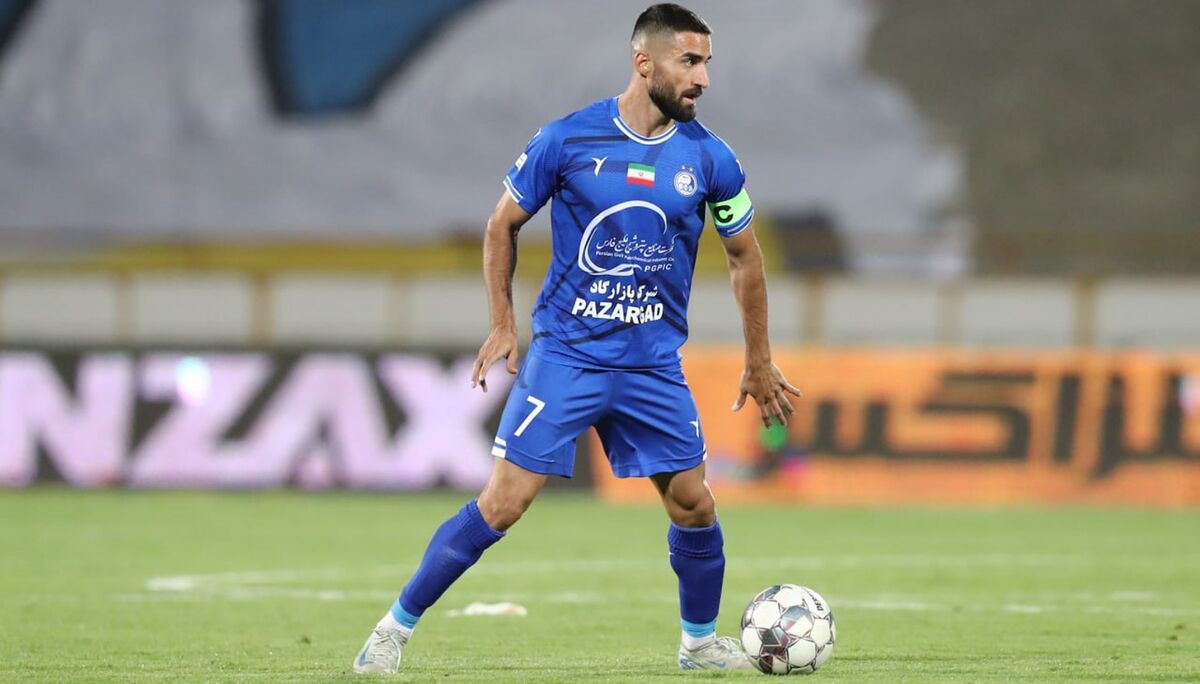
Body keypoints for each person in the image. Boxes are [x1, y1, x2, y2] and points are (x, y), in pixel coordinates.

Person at [353, 3, 800, 674]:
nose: (703, 78)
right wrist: (503, 323)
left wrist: (759, 359)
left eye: (707, 63)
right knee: (504, 503)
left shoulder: (712, 159)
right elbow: (501, 223)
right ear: (644, 63)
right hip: (568, 357)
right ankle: (391, 631)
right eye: (689, 61)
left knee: (694, 504)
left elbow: (745, 259)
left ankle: (700, 644)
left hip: (651, 365)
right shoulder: (567, 140)